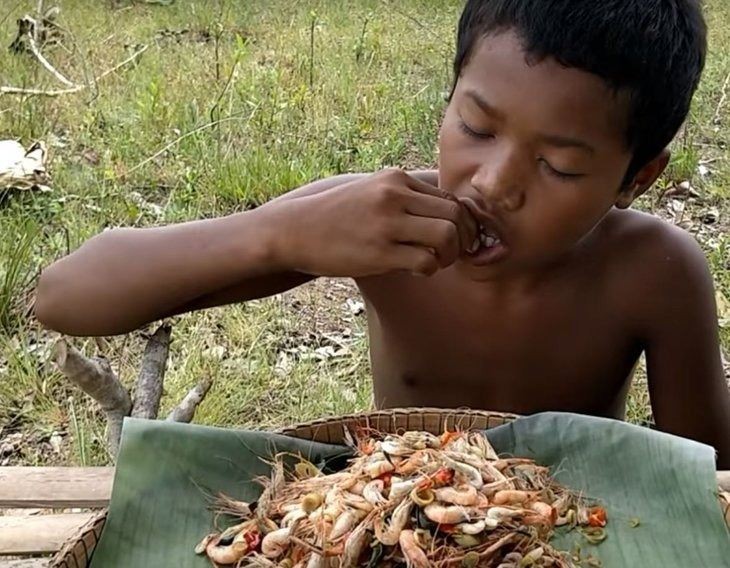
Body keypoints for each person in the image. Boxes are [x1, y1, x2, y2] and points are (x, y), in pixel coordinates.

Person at [34, 0, 730, 468]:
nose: (493, 183)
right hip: (395, 507)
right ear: (451, 94)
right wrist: (277, 234)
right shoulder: (382, 222)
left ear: (636, 178)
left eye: (558, 165)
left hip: (574, 525)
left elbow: (708, 474)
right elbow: (65, 298)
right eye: (477, 127)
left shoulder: (654, 272)